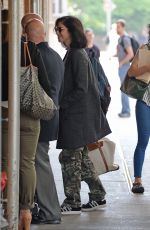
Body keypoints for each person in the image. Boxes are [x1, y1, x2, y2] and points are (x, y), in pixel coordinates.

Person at [54, 16, 111, 215]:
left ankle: (73, 201)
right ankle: (97, 195)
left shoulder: (77, 54)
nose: (58, 33)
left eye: (60, 29)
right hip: (80, 116)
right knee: (82, 159)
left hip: (77, 117)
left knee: (70, 158)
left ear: (71, 30)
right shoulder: (73, 53)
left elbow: (81, 88)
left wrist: (60, 105)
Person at [2, 12, 50, 230]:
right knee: (27, 162)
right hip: (30, 115)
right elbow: (46, 86)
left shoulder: (2, 51)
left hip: (5, 113)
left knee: (5, 162)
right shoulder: (30, 50)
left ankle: (6, 207)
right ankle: (25, 210)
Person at [24, 18, 64, 224]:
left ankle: (50, 212)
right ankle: (47, 210)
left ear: (27, 34)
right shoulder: (56, 56)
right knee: (40, 163)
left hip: (40, 118)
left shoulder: (35, 55)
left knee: (39, 164)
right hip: (51, 117)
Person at [128, 37, 150, 194]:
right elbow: (131, 71)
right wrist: (147, 67)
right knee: (142, 140)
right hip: (144, 101)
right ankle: (137, 181)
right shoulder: (145, 49)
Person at [116, 19, 134, 118]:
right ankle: (124, 110)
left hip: (125, 67)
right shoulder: (120, 38)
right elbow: (122, 53)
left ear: (123, 27)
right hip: (123, 67)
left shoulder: (125, 39)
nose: (116, 29)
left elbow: (130, 54)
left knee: (124, 90)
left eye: (118, 27)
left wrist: (121, 63)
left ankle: (126, 111)